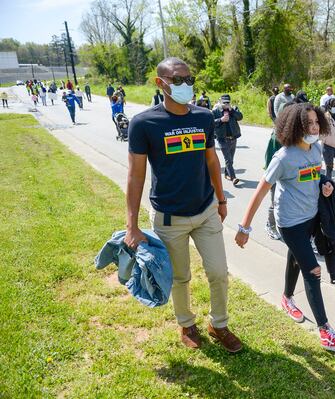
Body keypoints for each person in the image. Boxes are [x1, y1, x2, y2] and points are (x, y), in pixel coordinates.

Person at [125, 57, 242, 353]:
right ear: (160, 83)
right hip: (169, 218)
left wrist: (221, 197)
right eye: (177, 80)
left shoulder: (203, 117)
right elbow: (136, 176)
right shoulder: (144, 123)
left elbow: (211, 159)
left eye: (189, 79)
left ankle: (219, 324)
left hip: (205, 211)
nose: (185, 85)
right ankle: (187, 323)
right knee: (180, 276)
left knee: (218, 271)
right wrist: (132, 225)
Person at [235, 103, 335, 352]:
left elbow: (317, 175)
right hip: (289, 223)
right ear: (294, 126)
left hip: (311, 217)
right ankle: (325, 331)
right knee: (312, 269)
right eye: (307, 123)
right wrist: (244, 227)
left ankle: (287, 298)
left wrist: (326, 184)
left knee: (295, 260)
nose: (313, 127)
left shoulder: (316, 149)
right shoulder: (284, 157)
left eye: (315, 122)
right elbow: (260, 191)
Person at [212, 94, 244, 186]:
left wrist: (232, 111)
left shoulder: (234, 109)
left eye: (227, 102)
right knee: (228, 159)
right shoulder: (215, 111)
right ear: (220, 102)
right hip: (222, 138)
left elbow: (240, 117)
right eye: (224, 102)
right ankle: (233, 178)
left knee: (231, 159)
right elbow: (211, 123)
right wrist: (221, 120)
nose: (226, 104)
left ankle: (227, 174)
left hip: (233, 138)